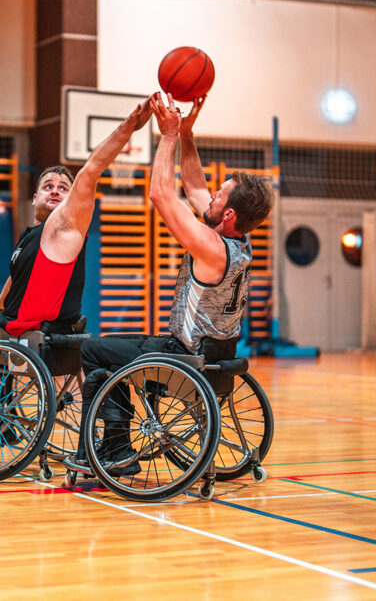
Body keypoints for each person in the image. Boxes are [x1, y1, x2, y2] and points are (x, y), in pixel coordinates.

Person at [67, 93, 275, 476]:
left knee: (94, 352)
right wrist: (188, 134)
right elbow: (195, 186)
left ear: (228, 214)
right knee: (117, 344)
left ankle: (115, 449)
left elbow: (161, 194)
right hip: (215, 356)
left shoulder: (211, 248)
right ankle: (114, 443)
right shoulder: (238, 240)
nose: (210, 194)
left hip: (182, 357)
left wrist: (167, 136)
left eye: (219, 195)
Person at [0, 96, 155, 349]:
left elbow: (92, 167)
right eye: (48, 186)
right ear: (34, 199)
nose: (55, 191)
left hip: (29, 327)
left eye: (63, 188)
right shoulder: (28, 236)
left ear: (70, 199)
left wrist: (127, 127)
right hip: (20, 322)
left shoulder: (66, 226)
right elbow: (15, 278)